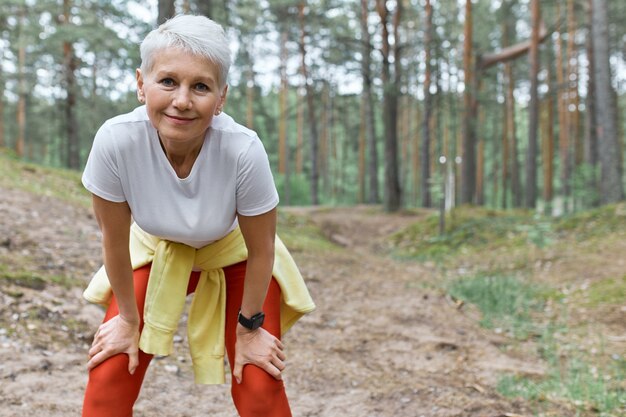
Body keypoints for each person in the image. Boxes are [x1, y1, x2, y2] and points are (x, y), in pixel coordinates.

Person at [79, 14, 315, 417]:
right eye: (168, 81)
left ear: (221, 98)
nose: (182, 100)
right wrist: (128, 322)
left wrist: (249, 329)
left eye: (200, 86)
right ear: (141, 83)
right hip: (157, 251)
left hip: (235, 255)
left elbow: (261, 251)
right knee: (111, 369)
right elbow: (114, 240)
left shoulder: (242, 150)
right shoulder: (116, 141)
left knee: (259, 380)